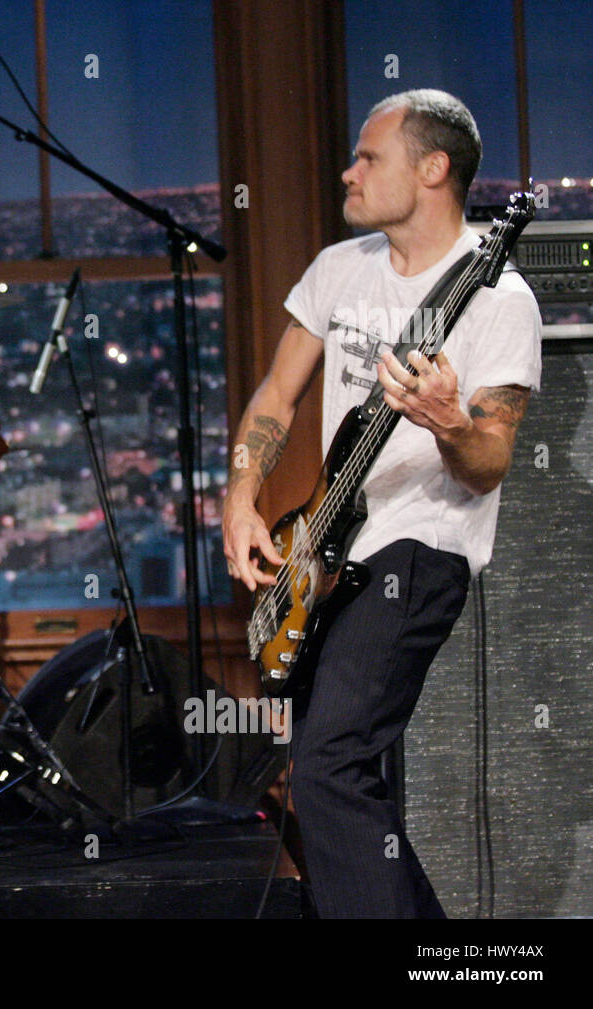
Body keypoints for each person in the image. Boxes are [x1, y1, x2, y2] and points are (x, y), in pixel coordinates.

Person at [221, 89, 541, 918]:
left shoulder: (500, 301)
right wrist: (242, 495)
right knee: (343, 785)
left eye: (369, 157)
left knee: (328, 768)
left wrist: (447, 422)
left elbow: (487, 464)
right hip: (332, 552)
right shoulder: (339, 268)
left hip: (420, 548)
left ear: (433, 169)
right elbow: (276, 397)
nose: (348, 170)